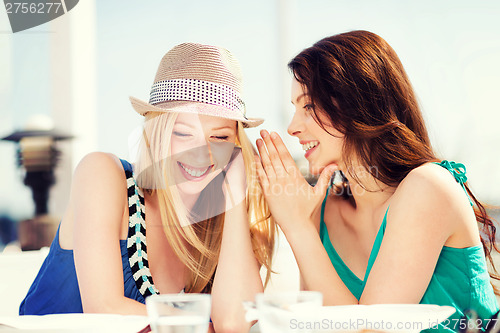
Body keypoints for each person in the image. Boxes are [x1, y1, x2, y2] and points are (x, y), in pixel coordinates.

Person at [20, 43, 276, 333]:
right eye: (182, 133)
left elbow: (234, 324)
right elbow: (105, 310)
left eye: (219, 137)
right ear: (156, 134)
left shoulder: (214, 223)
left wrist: (235, 194)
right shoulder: (103, 174)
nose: (201, 153)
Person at [255, 30, 499, 331]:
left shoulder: (429, 186)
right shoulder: (322, 212)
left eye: (308, 106)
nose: (292, 127)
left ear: (356, 103)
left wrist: (295, 225)